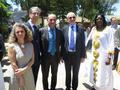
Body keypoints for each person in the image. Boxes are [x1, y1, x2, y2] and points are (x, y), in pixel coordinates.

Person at [86, 14, 114, 90]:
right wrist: (83, 50)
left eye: (100, 18)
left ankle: (104, 88)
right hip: (94, 55)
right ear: (95, 20)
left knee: (103, 72)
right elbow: (88, 39)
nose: (99, 20)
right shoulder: (94, 29)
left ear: (103, 20)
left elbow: (111, 43)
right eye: (97, 19)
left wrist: (109, 57)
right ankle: (95, 86)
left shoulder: (108, 30)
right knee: (94, 71)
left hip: (104, 56)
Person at [61, 12, 86, 90]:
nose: (72, 19)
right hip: (67, 55)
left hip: (77, 55)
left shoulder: (81, 29)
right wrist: (61, 55)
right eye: (70, 17)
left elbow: (83, 43)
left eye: (73, 17)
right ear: (67, 19)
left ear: (75, 18)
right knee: (67, 73)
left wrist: (83, 56)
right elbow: (62, 43)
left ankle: (75, 87)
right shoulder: (64, 29)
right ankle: (68, 87)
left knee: (75, 73)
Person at [7, 23, 35, 90]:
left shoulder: (30, 45)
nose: (20, 33)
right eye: (17, 32)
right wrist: (21, 77)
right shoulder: (12, 46)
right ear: (14, 34)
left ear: (25, 32)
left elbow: (32, 60)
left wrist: (24, 69)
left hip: (28, 73)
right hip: (16, 74)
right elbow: (13, 63)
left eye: (22, 31)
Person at [38, 14, 62, 90]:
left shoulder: (59, 32)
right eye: (51, 20)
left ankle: (52, 88)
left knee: (54, 75)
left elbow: (62, 44)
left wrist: (61, 56)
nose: (52, 21)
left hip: (55, 56)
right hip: (45, 57)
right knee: (45, 75)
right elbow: (38, 45)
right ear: (47, 20)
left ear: (56, 21)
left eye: (54, 20)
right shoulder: (41, 31)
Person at [25, 6, 42, 84]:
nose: (36, 15)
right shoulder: (24, 27)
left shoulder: (37, 27)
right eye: (34, 13)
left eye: (37, 13)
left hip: (36, 60)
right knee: (26, 81)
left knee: (34, 80)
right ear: (29, 14)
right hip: (26, 60)